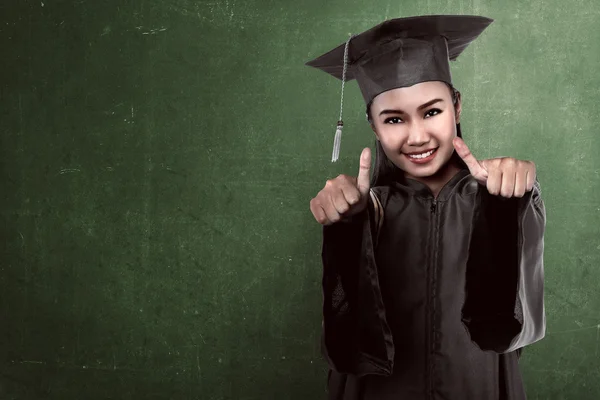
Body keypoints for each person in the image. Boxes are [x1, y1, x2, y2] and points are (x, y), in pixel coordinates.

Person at [306, 15, 546, 400]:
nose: (417, 136)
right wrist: (347, 226)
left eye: (432, 112)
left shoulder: (494, 200)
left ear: (457, 107)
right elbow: (344, 337)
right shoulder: (365, 211)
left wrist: (512, 199)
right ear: (373, 125)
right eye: (394, 119)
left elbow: (514, 324)